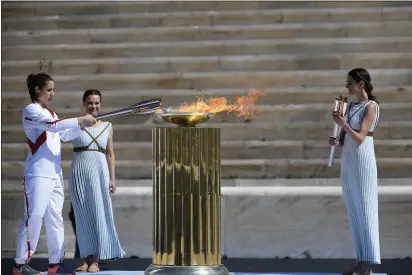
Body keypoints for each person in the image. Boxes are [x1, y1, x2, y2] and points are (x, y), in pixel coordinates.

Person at [13, 72, 97, 275]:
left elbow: (64, 134)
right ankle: (20, 264)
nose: (52, 94)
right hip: (38, 175)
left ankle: (55, 263)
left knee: (55, 219)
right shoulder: (31, 111)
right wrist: (78, 119)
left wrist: (83, 125)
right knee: (34, 217)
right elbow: (54, 126)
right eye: (49, 90)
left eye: (53, 90)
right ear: (37, 90)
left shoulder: (50, 113)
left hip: (54, 174)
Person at [329, 68, 380, 275]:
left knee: (366, 209)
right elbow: (344, 139)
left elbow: (360, 137)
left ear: (361, 84)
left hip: (363, 160)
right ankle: (361, 262)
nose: (347, 86)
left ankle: (368, 263)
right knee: (354, 210)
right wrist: (336, 139)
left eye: (350, 82)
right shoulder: (349, 107)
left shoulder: (371, 106)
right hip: (349, 159)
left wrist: (344, 124)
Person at [69, 89, 125, 273]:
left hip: (99, 172)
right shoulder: (75, 124)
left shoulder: (107, 125)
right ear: (84, 104)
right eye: (90, 103)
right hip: (79, 172)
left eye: (97, 103)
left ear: (100, 104)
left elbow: (110, 154)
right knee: (82, 216)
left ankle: (96, 260)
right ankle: (85, 258)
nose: (93, 106)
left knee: (99, 213)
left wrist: (112, 178)